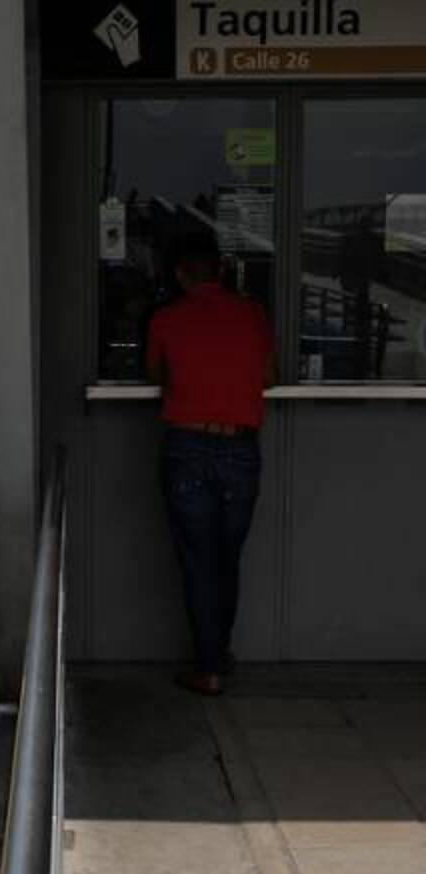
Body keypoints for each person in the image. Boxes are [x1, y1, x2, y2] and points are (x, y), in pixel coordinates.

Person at [146, 232, 274, 696]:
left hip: (188, 448)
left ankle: (210, 666)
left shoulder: (166, 318)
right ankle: (218, 653)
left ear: (181, 275)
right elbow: (268, 376)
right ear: (220, 270)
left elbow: (155, 374)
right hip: (241, 450)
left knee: (199, 563)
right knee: (227, 560)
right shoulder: (252, 315)